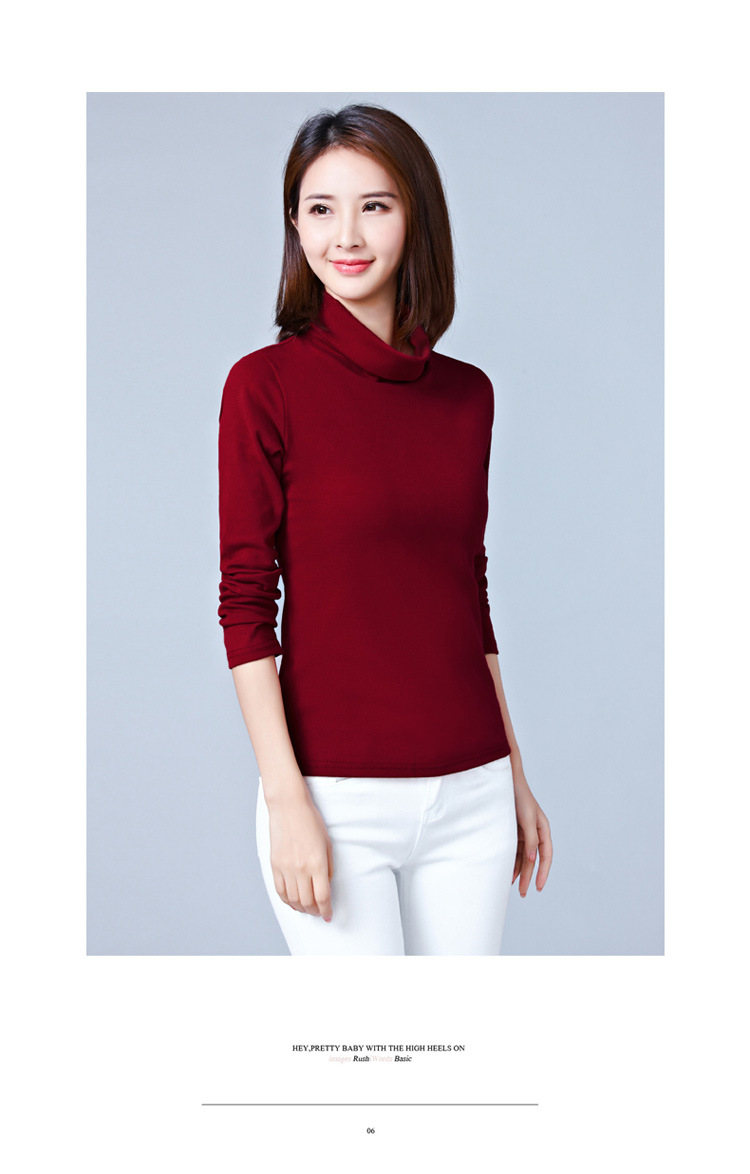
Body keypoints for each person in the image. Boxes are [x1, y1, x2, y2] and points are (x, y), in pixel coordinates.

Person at [218, 103, 552, 955]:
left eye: (375, 205)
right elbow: (247, 603)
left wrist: (513, 774)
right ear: (295, 224)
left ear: (415, 218)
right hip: (333, 796)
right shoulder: (264, 387)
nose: (347, 235)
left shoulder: (468, 396)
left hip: (472, 791)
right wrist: (285, 798)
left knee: (458, 1039)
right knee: (363, 1041)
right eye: (320, 208)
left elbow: (465, 590)